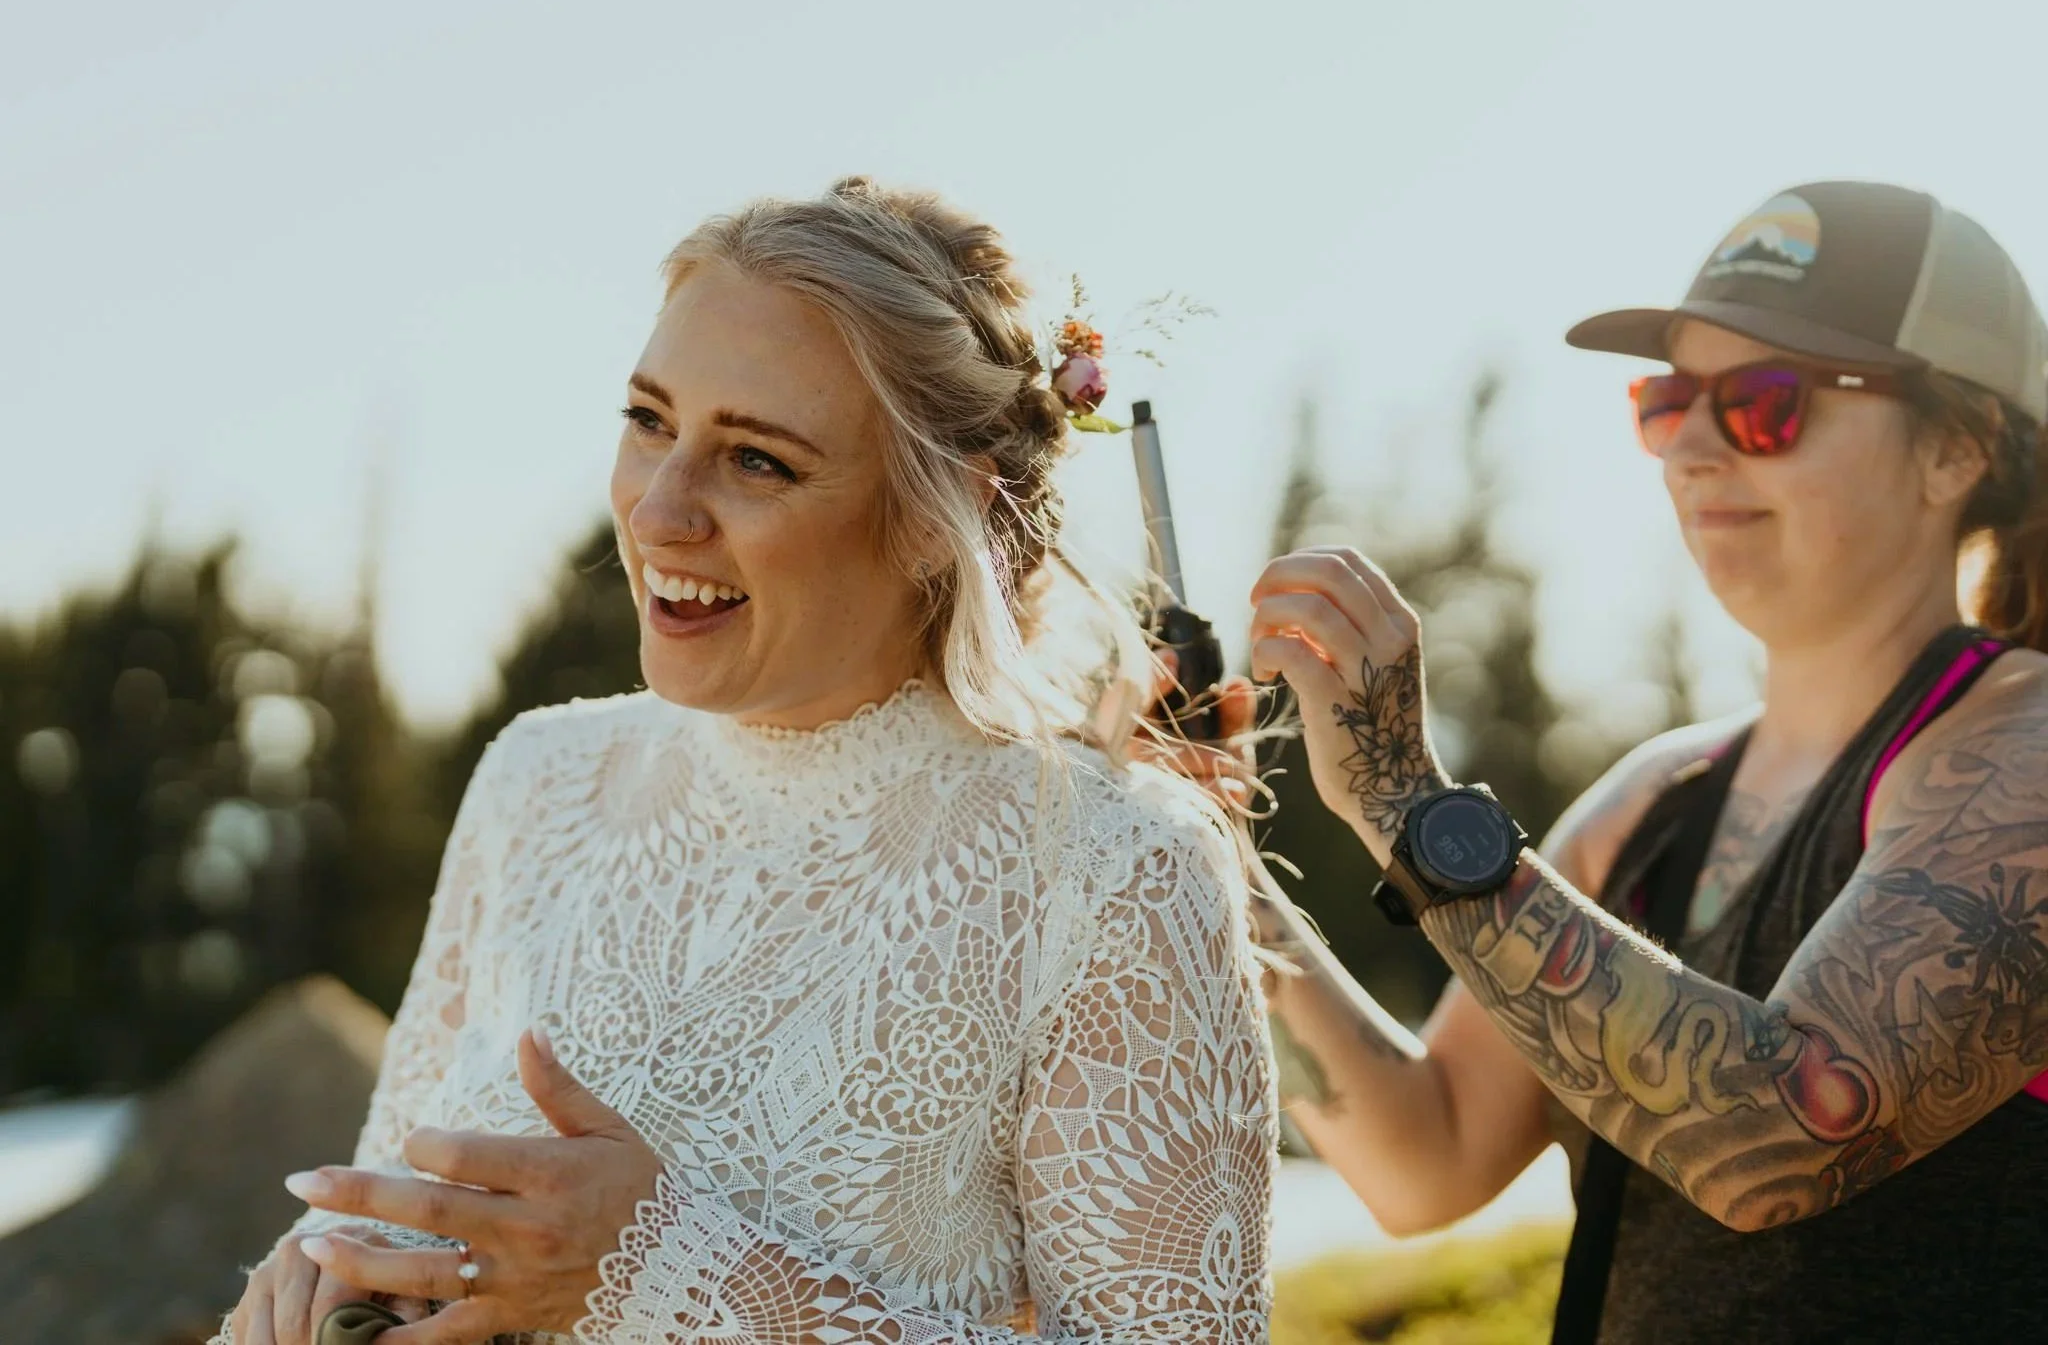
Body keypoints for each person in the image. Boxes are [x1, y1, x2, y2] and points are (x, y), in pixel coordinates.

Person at [215, 176, 1276, 1345]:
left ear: (942, 516)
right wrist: (327, 1292)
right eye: (648, 420)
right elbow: (406, 1208)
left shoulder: (1110, 872)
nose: (660, 511)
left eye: (757, 460)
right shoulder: (539, 785)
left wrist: (674, 1281)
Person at [1240, 181, 2048, 1342]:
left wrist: (1401, 799)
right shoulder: (1654, 795)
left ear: (1955, 447)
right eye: (1670, 403)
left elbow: (1772, 1141)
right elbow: (1425, 1156)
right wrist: (1211, 858)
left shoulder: (2018, 748)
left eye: (1765, 404)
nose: (1695, 451)